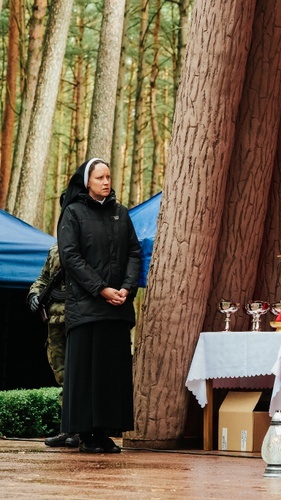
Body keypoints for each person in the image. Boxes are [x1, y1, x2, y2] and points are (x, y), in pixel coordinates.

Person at [57, 158, 142, 454]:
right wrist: (101, 289)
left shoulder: (121, 213)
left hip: (117, 306)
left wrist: (126, 288)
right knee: (87, 373)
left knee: (111, 373)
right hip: (86, 308)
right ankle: (85, 435)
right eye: (100, 178)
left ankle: (104, 433)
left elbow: (134, 251)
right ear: (86, 182)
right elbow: (70, 257)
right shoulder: (73, 213)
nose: (106, 182)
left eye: (109, 177)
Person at [27, 242, 79, 448]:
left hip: (78, 319)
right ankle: (67, 428)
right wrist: (34, 294)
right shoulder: (55, 249)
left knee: (79, 377)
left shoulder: (86, 244)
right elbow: (44, 278)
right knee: (63, 377)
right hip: (55, 322)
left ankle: (82, 430)